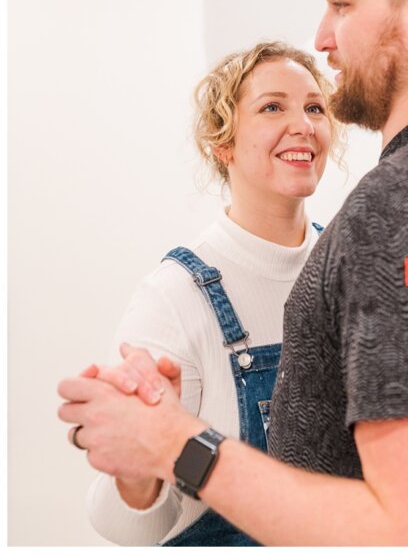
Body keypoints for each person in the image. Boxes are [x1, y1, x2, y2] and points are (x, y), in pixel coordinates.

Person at [58, 0, 408, 546]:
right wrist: (142, 451)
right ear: (222, 140)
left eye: (341, 3)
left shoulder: (396, 212)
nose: (324, 35)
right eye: (272, 106)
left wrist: (175, 441)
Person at [82, 41, 340, 545]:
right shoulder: (176, 298)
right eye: (272, 107)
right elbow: (122, 527)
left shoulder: (353, 270)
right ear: (222, 144)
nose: (304, 124)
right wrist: (140, 468)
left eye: (314, 107)